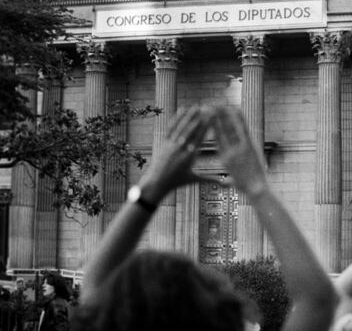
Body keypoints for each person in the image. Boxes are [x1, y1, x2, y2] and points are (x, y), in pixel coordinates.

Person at [72, 105, 337, 331]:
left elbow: (94, 283)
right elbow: (319, 299)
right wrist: (258, 188)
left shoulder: (104, 314)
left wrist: (152, 185)